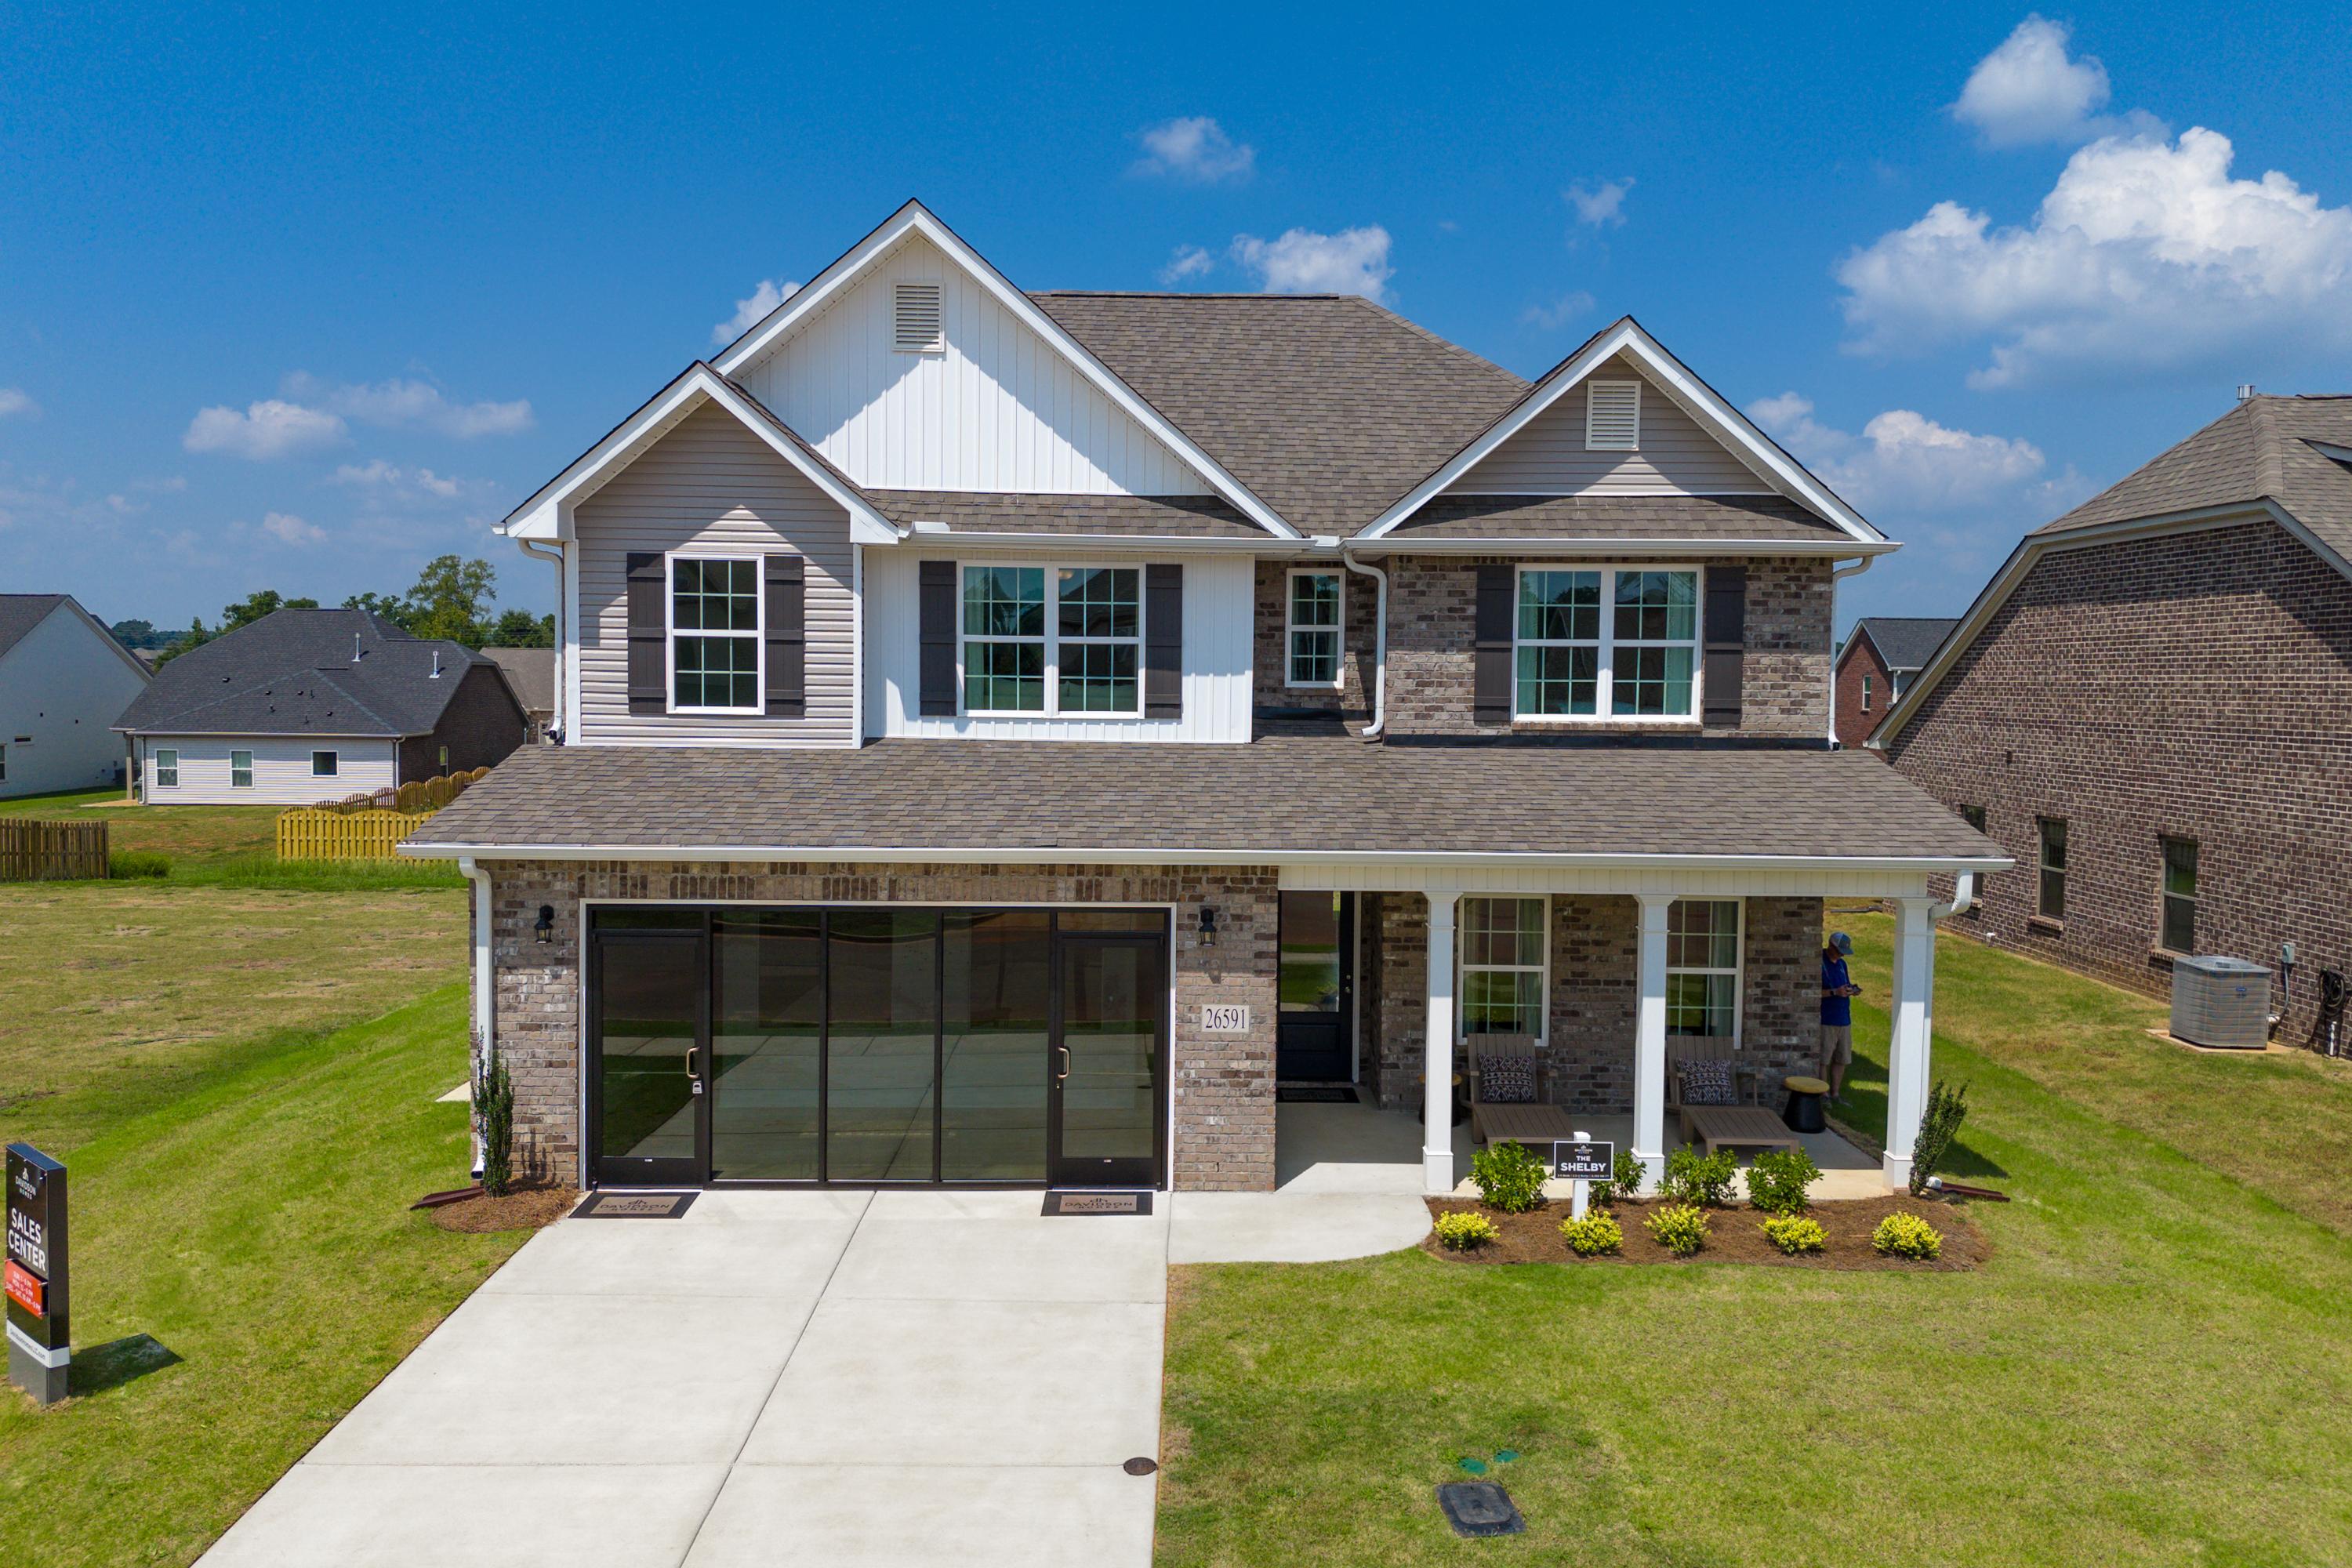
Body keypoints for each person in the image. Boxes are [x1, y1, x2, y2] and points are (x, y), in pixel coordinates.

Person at [1820, 931, 1861, 1099]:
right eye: (1839, 951)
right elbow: (1811, 992)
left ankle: (1836, 1093)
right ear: (1831, 946)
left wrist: (1852, 990)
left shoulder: (1842, 965)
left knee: (1842, 1058)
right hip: (1826, 1019)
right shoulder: (1820, 963)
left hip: (1844, 1018)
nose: (1842, 954)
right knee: (1824, 1059)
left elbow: (1845, 985)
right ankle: (1823, 1093)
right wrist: (1834, 992)